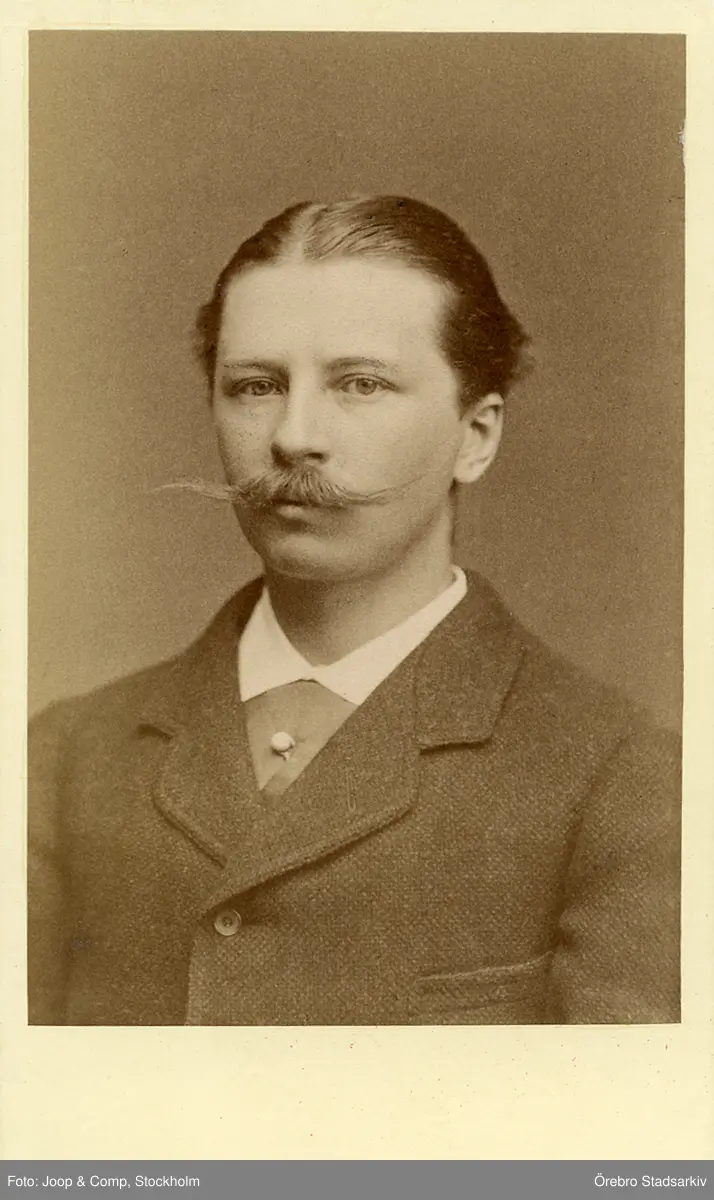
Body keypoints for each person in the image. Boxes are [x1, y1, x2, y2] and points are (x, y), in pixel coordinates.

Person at [28, 195, 680, 1026]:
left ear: (475, 435)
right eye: (255, 386)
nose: (293, 435)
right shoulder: (63, 761)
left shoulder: (623, 778)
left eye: (361, 384)